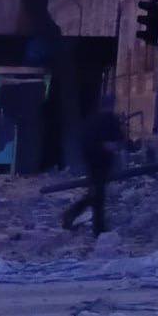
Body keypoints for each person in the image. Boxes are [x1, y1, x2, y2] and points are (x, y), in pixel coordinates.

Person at [62, 97, 124, 236]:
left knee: (95, 195)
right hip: (100, 163)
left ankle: (73, 215)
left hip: (95, 163)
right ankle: (97, 228)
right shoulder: (108, 120)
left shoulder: (95, 120)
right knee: (98, 196)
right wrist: (107, 146)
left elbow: (87, 142)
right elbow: (118, 140)